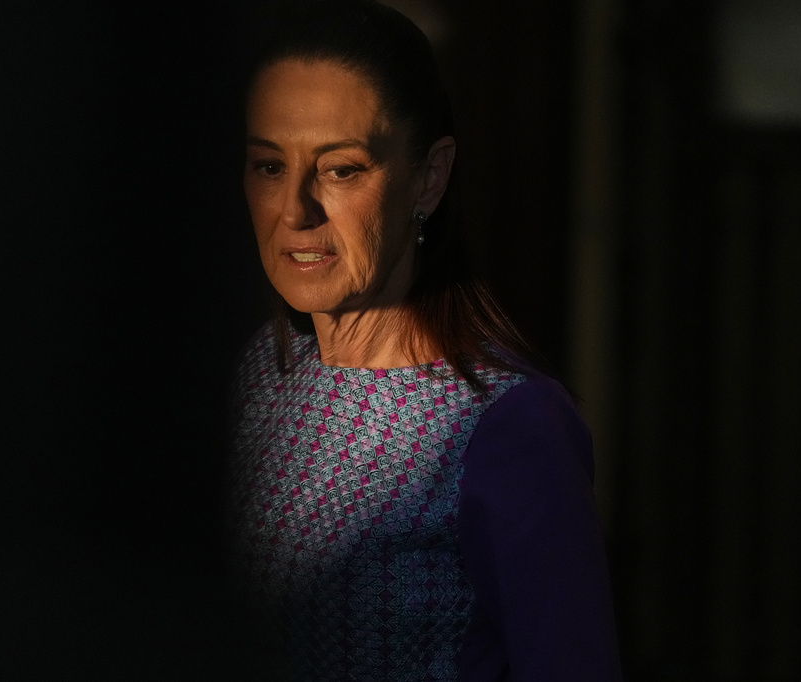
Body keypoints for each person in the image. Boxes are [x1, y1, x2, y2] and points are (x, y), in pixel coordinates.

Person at [228, 1, 622, 679]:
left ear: (429, 178)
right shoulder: (260, 369)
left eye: (341, 168)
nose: (296, 209)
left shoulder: (508, 424)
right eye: (269, 166)